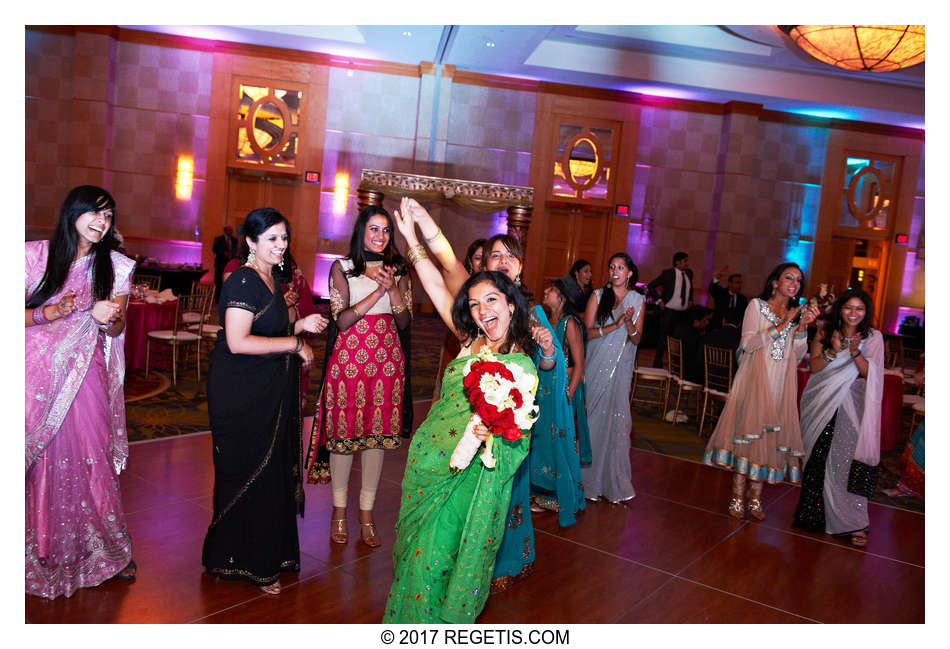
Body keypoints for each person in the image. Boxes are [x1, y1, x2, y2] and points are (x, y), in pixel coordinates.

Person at [385, 199, 551, 622]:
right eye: (475, 305)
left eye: (491, 300)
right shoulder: (468, 339)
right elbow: (437, 284)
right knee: (413, 558)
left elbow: (517, 442)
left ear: (511, 304)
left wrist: (488, 435)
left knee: (439, 564)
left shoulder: (522, 366)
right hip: (429, 467)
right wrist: (411, 236)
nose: (483, 311)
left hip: (472, 484)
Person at [202, 208, 328, 595]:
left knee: (271, 473)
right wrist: (294, 342)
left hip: (267, 392)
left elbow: (265, 329)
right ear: (252, 242)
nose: (280, 246)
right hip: (241, 395)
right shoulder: (242, 280)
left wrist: (298, 326)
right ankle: (244, 560)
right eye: (271, 238)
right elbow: (238, 341)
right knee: (248, 472)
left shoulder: (271, 277)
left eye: (284, 238)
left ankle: (268, 555)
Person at [26, 185, 136, 599]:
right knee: (41, 456)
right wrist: (49, 312)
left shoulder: (117, 266)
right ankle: (39, 546)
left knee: (93, 450)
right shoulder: (34, 256)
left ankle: (104, 547)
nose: (102, 223)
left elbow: (119, 324)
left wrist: (109, 318)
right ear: (73, 212)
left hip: (84, 371)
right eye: (96, 213)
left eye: (108, 217)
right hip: (35, 376)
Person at [303, 205, 411, 548]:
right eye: (373, 229)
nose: (380, 236)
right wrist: (378, 292)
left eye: (385, 230)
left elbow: (405, 321)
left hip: (386, 362)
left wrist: (393, 288)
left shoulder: (399, 269)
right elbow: (342, 320)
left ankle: (366, 512)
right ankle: (338, 511)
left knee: (376, 438)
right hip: (349, 361)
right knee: (344, 436)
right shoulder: (343, 267)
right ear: (361, 231)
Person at [481, 233, 585, 590]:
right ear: (485, 264)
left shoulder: (533, 311)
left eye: (511, 256)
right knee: (479, 489)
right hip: (478, 410)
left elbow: (547, 367)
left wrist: (547, 350)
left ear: (521, 265)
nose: (504, 261)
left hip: (514, 414)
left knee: (511, 488)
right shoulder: (474, 304)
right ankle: (473, 561)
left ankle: (512, 558)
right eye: (496, 255)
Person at [703, 262, 821, 521]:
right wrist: (781, 326)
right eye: (788, 278)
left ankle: (755, 498)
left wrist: (801, 328)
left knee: (768, 440)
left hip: (781, 383)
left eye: (799, 280)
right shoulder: (757, 306)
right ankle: (736, 494)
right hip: (755, 380)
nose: (794, 284)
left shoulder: (794, 313)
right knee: (749, 435)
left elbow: (798, 356)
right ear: (775, 282)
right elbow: (747, 344)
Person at [793, 289, 884, 547]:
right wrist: (833, 349)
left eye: (860, 309)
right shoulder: (825, 330)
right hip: (821, 402)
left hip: (851, 407)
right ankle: (813, 516)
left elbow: (871, 374)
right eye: (849, 308)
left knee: (844, 462)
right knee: (817, 458)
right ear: (840, 309)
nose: (853, 313)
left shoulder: (873, 337)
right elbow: (816, 367)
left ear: (866, 312)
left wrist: (855, 352)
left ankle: (853, 522)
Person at [582, 252, 645, 503]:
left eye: (620, 267)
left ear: (629, 273)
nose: (615, 271)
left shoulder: (638, 300)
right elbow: (586, 333)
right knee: (593, 419)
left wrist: (629, 324)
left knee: (617, 423)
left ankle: (611, 483)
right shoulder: (598, 296)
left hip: (621, 369)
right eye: (611, 267)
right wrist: (615, 326)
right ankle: (585, 480)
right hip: (596, 366)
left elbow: (637, 339)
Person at [543, 274, 592, 466]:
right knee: (546, 438)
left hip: (564, 387)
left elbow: (579, 364)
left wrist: (568, 395)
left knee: (560, 439)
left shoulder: (569, 323)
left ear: (563, 298)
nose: (546, 291)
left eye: (552, 290)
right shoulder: (546, 321)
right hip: (547, 387)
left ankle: (562, 490)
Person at [647, 251, 693, 367]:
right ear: (677, 262)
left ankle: (676, 365)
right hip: (668, 311)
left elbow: (689, 289)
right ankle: (657, 363)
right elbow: (651, 285)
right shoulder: (668, 273)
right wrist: (658, 301)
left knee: (679, 340)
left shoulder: (689, 273)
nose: (687, 264)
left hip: (683, 313)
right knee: (663, 338)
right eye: (685, 261)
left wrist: (690, 300)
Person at [670, 305, 713, 385]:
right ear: (696, 321)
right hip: (687, 372)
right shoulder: (693, 335)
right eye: (705, 320)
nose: (707, 323)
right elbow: (697, 357)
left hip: (677, 367)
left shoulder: (680, 327)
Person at [707, 266, 747, 330]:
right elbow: (712, 289)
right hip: (718, 327)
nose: (740, 285)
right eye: (737, 282)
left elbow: (743, 315)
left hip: (734, 329)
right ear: (730, 283)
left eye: (740, 283)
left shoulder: (742, 299)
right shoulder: (721, 293)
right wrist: (718, 277)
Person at [212, 225, 238, 301]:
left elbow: (236, 250)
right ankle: (217, 298)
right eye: (229, 230)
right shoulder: (218, 239)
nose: (230, 232)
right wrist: (223, 252)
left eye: (231, 230)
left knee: (230, 281)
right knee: (219, 281)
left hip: (230, 264)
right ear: (225, 231)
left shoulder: (234, 240)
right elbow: (214, 250)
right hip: (220, 263)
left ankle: (227, 297)